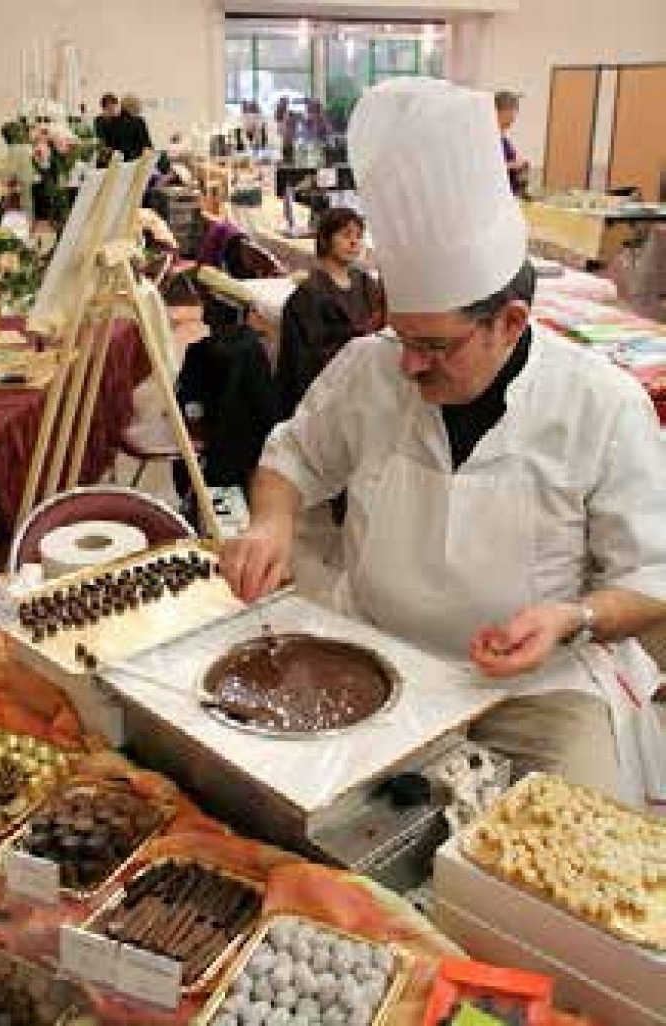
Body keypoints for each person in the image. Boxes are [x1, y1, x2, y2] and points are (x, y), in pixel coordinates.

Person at [220, 78, 666, 807]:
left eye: (436, 345)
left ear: (511, 321)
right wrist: (271, 522)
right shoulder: (369, 369)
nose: (409, 364)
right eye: (402, 335)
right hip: (370, 660)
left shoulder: (602, 406)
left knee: (571, 870)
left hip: (535, 693)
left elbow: (653, 579)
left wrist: (574, 617)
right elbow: (290, 458)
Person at [276, 206, 385, 419]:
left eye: (359, 236)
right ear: (325, 240)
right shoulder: (309, 294)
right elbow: (306, 360)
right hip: (328, 393)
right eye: (346, 235)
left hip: (367, 382)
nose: (354, 242)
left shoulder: (365, 283)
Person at [494, 90, 529, 197]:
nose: (514, 117)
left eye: (515, 111)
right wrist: (513, 165)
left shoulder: (502, 136)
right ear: (500, 111)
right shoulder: (489, 137)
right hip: (498, 195)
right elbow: (485, 169)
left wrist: (520, 165)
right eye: (512, 111)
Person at [115, 94, 153, 161]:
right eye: (137, 105)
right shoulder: (116, 122)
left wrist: (147, 150)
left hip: (138, 159)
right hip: (125, 159)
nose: (139, 107)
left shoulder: (139, 121)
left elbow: (147, 142)